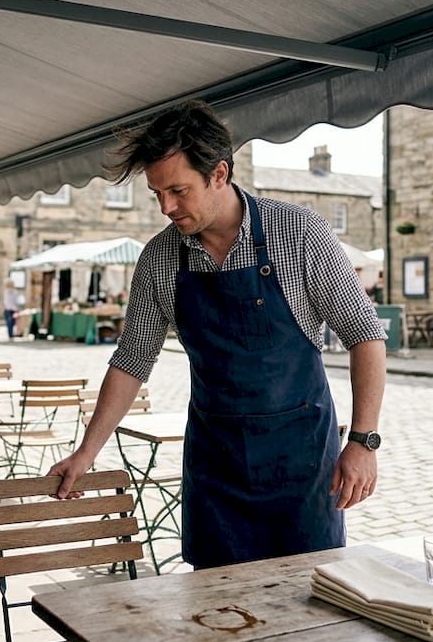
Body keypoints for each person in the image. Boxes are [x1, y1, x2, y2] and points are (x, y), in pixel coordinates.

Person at [47, 100, 387, 569]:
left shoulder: (299, 233)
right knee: (215, 615)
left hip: (303, 467)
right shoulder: (159, 260)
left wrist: (363, 441)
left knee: (309, 606)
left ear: (219, 174)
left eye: (178, 191)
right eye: (157, 194)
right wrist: (87, 453)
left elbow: (365, 335)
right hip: (216, 469)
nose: (166, 207)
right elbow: (131, 362)